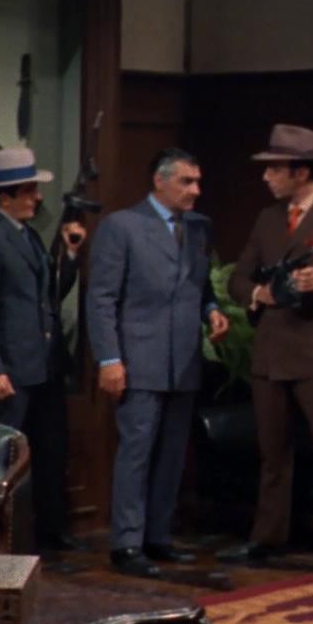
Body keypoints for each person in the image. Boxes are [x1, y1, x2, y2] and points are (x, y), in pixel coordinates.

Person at [217, 124, 313, 581]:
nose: (266, 177)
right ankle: (266, 538)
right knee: (273, 454)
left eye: (275, 169)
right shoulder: (268, 218)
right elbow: (237, 278)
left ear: (301, 172)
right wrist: (258, 293)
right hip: (270, 354)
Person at [87, 148, 230, 579]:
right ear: (160, 181)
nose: (196, 190)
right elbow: (101, 298)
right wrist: (110, 358)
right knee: (137, 451)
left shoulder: (199, 227)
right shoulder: (122, 227)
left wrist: (212, 311)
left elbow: (202, 287)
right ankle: (127, 543)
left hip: (183, 361)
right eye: (187, 181)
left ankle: (158, 536)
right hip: (138, 360)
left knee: (171, 454)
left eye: (198, 181)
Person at [0, 146, 87, 554]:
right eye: (29, 191)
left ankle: (51, 530)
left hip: (44, 366)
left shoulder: (26, 235)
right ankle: (0, 538)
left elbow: (47, 296)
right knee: (6, 458)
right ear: (5, 197)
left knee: (51, 450)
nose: (37, 198)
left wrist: (69, 254)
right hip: (13, 370)